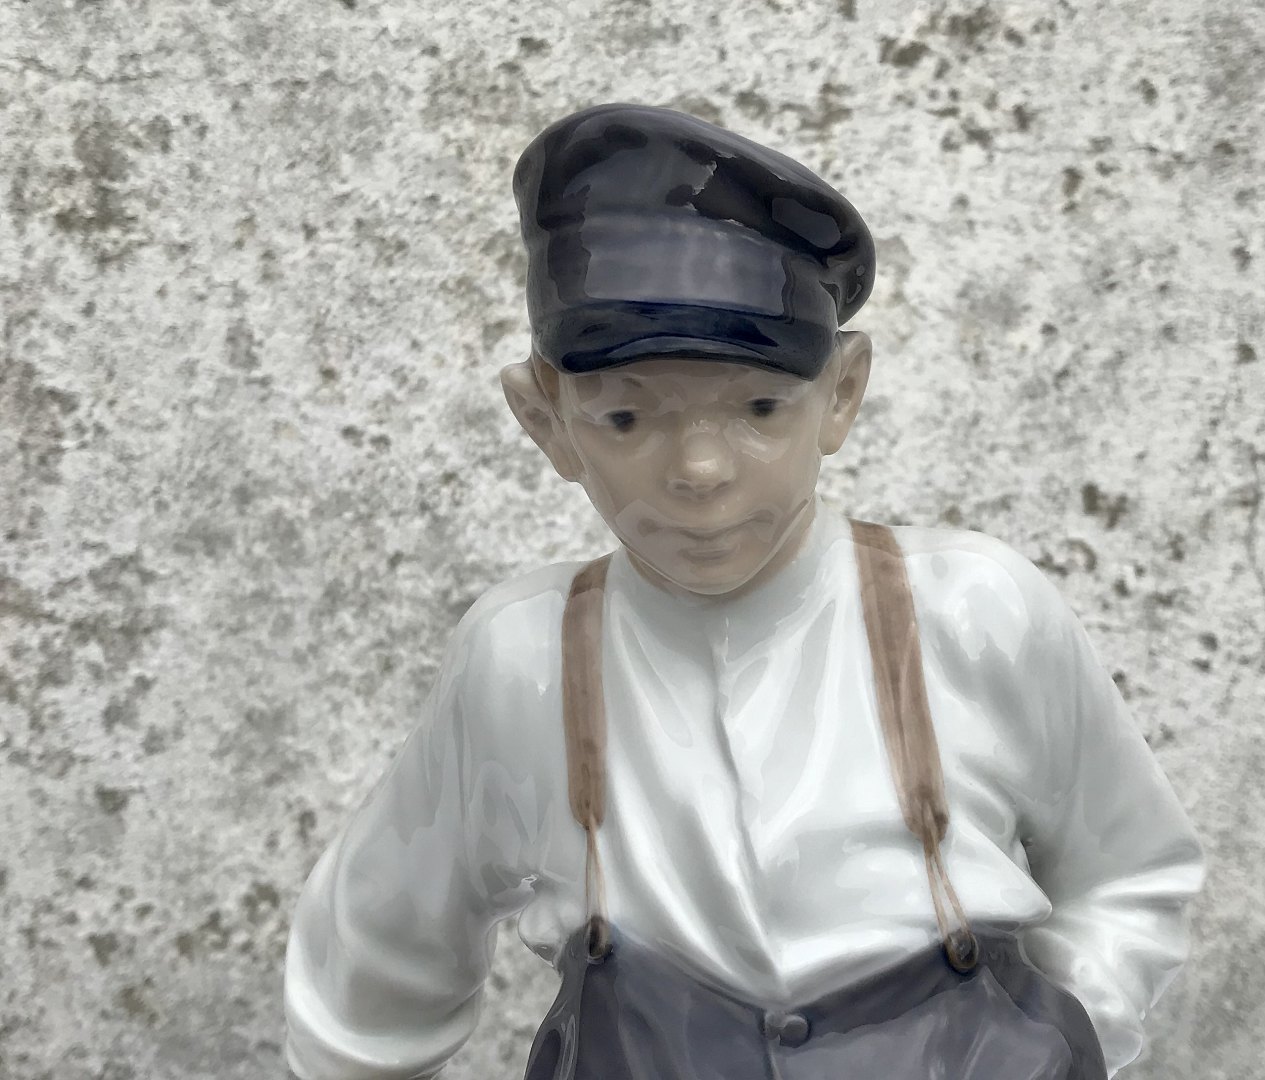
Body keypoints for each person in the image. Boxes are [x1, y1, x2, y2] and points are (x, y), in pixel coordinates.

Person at [283, 104, 1205, 1080]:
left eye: (761, 407)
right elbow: (378, 956)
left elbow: (1129, 869)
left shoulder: (975, 611)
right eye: (626, 417)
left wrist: (1072, 1041)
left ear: (841, 393)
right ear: (545, 418)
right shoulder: (521, 662)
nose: (701, 469)